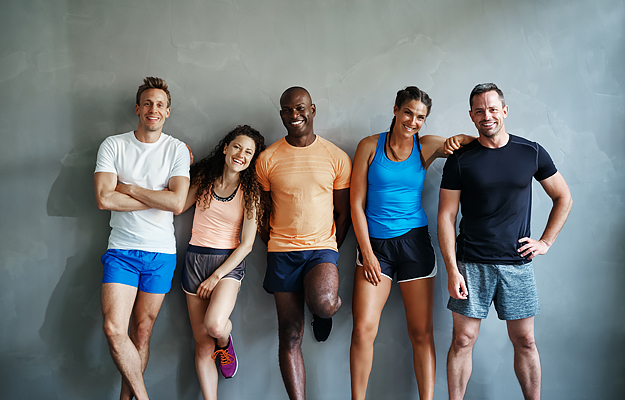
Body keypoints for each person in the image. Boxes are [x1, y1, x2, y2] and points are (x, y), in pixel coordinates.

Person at [438, 83, 572, 400]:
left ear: (504, 111)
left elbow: (563, 197)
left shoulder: (531, 152)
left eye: (493, 109)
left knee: (525, 341)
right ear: (471, 116)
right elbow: (446, 216)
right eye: (480, 110)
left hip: (517, 266)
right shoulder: (460, 160)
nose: (488, 116)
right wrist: (453, 270)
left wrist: (546, 242)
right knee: (462, 340)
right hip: (471, 264)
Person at [349, 86, 475, 400]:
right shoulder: (368, 146)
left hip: (415, 245)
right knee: (363, 330)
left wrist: (462, 139)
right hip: (375, 246)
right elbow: (356, 204)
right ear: (395, 109)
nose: (413, 121)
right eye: (408, 112)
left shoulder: (427, 146)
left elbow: (474, 146)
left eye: (420, 117)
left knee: (421, 333)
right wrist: (366, 251)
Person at [94, 77, 191, 400]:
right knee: (113, 329)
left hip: (161, 253)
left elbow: (177, 203)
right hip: (121, 250)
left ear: (168, 112)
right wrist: (157, 196)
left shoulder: (176, 149)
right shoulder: (113, 145)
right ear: (138, 108)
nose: (154, 109)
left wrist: (131, 188)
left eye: (160, 104)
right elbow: (104, 199)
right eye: (148, 103)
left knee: (142, 332)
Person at [256, 86, 352, 400]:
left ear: (312, 109)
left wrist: (332, 246)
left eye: (300, 108)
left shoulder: (335, 156)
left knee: (323, 302)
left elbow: (343, 212)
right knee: (290, 333)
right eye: (286, 110)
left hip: (321, 249)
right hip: (282, 251)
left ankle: (322, 315)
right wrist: (271, 242)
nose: (294, 115)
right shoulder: (267, 159)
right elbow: (261, 211)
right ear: (281, 114)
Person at [176, 125, 265, 399]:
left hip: (226, 264)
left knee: (215, 325)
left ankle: (226, 343)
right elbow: (178, 206)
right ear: (226, 147)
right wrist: (180, 165)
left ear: (251, 160)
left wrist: (216, 276)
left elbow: (247, 244)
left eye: (248, 152)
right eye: (237, 146)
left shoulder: (250, 192)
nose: (241, 154)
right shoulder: (204, 178)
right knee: (203, 345)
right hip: (194, 260)